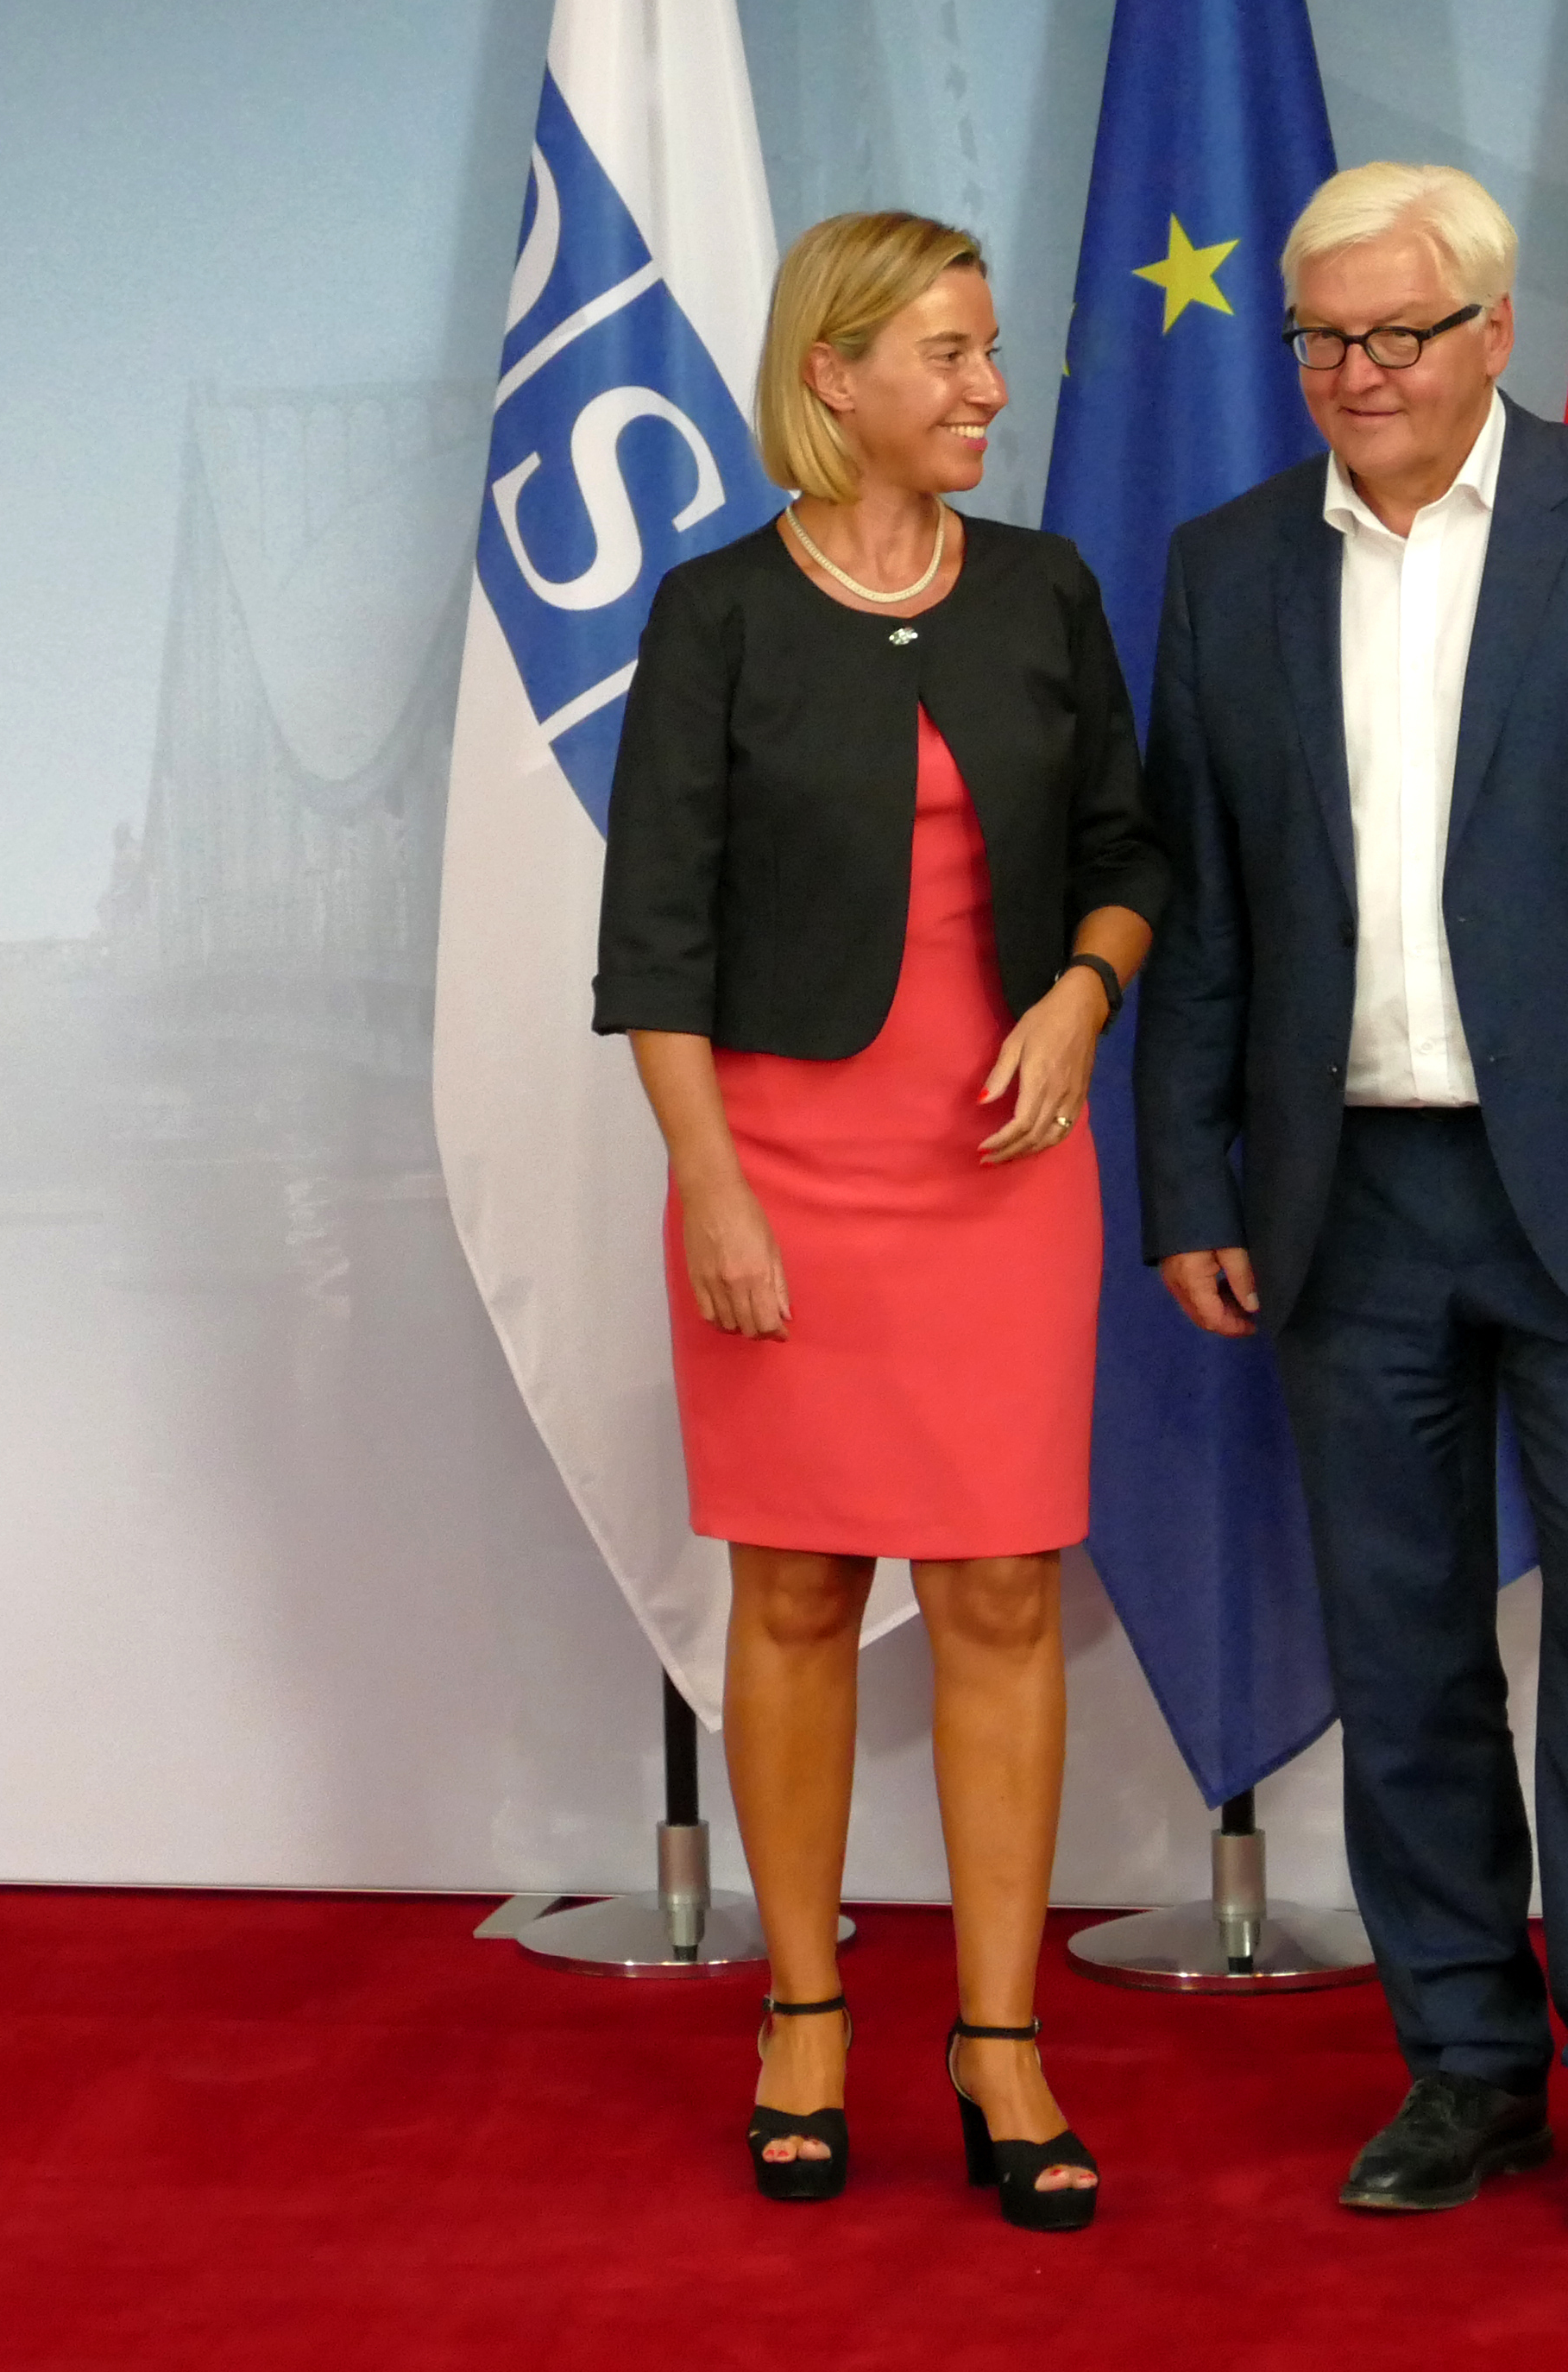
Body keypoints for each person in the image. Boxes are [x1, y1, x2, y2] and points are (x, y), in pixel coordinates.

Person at [1136, 163, 1568, 2229]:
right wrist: (1188, 1182)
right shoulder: (1227, 564)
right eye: (1322, 338)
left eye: (1396, 335)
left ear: (1496, 335)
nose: (1355, 374)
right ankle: (1465, 2068)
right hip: (1347, 1205)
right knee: (1404, 1648)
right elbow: (1202, 907)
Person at [594, 211, 1164, 2230]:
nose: (989, 387)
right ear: (832, 378)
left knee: (1005, 1591)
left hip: (1004, 1174)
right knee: (802, 1593)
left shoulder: (1044, 591)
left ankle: (1001, 2045)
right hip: (783, 1178)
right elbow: (650, 949)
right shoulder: (718, 613)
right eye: (947, 353)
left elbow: (1127, 851)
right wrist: (715, 1194)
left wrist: (1085, 1001)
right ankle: (809, 2010)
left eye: (990, 349)